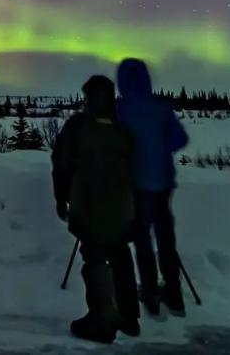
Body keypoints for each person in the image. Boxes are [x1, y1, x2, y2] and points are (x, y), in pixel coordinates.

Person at [51, 75, 140, 343]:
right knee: (120, 253)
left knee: (95, 257)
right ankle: (128, 317)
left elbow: (61, 163)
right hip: (123, 208)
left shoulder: (78, 126)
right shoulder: (125, 130)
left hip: (88, 205)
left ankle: (102, 320)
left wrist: (61, 198)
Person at [116, 57, 190, 317]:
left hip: (137, 185)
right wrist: (160, 148)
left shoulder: (121, 110)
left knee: (143, 240)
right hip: (163, 184)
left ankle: (149, 293)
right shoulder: (161, 107)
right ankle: (174, 294)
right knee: (165, 239)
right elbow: (180, 139)